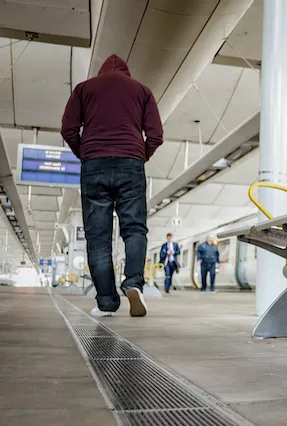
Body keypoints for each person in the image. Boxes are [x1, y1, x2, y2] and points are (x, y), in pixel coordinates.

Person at [62, 54, 163, 318]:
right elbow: (156, 134)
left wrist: (85, 153)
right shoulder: (142, 91)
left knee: (97, 239)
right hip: (131, 164)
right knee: (134, 230)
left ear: (101, 71)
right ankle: (133, 283)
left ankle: (106, 302)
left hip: (94, 164)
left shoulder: (84, 89)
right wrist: (141, 155)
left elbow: (68, 129)